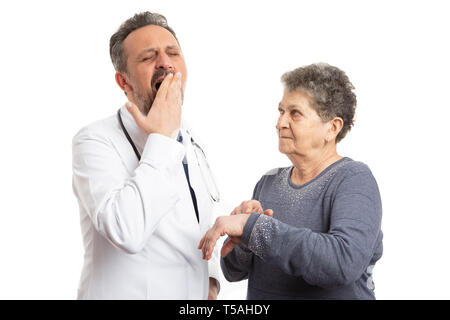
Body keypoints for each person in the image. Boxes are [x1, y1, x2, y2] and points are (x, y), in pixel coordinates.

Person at [199, 63, 383, 300]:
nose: (280, 123)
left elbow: (342, 263)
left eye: (295, 113)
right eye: (280, 111)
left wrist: (254, 228)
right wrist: (244, 242)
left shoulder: (354, 180)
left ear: (332, 127)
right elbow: (234, 272)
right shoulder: (268, 182)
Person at [72, 11, 220, 299]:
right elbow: (125, 231)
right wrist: (161, 138)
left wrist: (211, 280)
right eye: (148, 57)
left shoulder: (189, 137)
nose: (165, 62)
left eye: (173, 53)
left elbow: (196, 221)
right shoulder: (94, 141)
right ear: (123, 82)